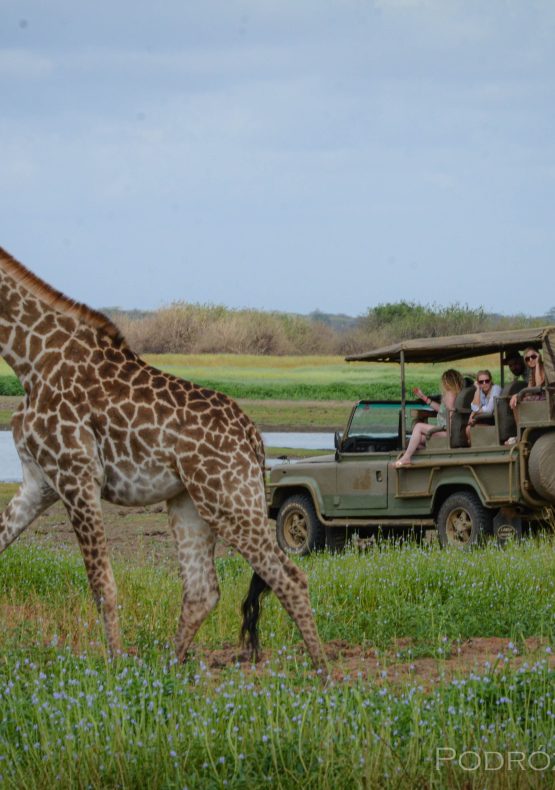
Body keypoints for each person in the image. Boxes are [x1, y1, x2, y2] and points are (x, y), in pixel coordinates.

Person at [395, 369, 464, 467]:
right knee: (415, 441)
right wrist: (424, 397)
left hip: (447, 431)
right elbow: (442, 409)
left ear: (447, 381)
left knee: (418, 426)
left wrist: (448, 424)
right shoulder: (454, 393)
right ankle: (420, 454)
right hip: (447, 430)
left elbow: (451, 411)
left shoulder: (450, 394)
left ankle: (406, 457)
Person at [506, 347, 546, 445]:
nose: (531, 360)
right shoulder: (531, 372)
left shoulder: (543, 367)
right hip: (538, 399)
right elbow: (529, 390)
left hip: (547, 398)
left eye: (533, 357)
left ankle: (521, 434)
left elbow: (538, 386)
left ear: (538, 356)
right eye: (528, 359)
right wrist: (517, 395)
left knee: (521, 402)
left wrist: (537, 364)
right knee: (516, 402)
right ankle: (520, 433)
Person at [466, 370, 502, 440]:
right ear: (478, 383)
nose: (484, 383)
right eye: (481, 382)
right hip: (487, 421)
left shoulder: (496, 389)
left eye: (487, 381)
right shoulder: (481, 391)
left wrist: (473, 414)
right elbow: (475, 408)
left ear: (491, 381)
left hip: (497, 423)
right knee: (468, 429)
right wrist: (477, 389)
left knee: (469, 429)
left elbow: (489, 410)